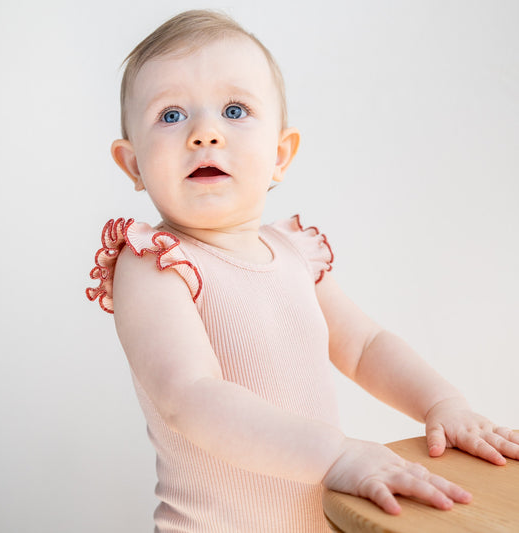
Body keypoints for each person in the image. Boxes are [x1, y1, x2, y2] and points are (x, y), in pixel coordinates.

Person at [86, 9, 519, 532]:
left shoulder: (293, 253)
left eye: (234, 109)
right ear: (133, 163)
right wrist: (336, 455)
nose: (204, 133)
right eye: (171, 114)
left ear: (280, 154)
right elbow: (190, 396)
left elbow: (365, 346)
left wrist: (442, 403)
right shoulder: (155, 262)